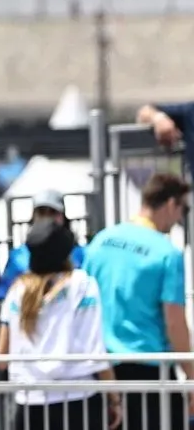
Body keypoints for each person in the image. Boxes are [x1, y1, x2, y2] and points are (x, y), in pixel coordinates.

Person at [82, 172, 194, 429]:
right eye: (183, 210)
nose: (180, 219)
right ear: (170, 204)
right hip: (149, 374)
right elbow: (174, 322)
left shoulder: (100, 242)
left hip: (101, 371)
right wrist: (191, 377)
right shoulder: (167, 254)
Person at [0, 218, 121, 430]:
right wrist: (115, 399)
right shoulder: (82, 284)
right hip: (77, 399)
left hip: (29, 401)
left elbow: (1, 358)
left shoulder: (17, 290)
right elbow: (96, 352)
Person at [0, 189, 86, 303]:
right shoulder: (17, 257)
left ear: (63, 216)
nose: (47, 217)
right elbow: (5, 296)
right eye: (42, 212)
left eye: (53, 212)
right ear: (33, 216)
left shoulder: (81, 254)